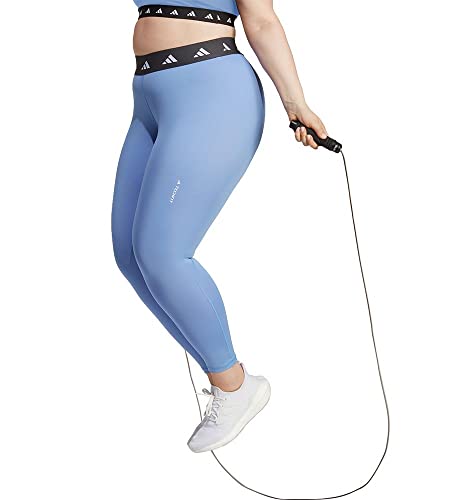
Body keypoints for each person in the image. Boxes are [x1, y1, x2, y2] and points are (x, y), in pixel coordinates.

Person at [111, 0, 329, 453]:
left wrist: (296, 103)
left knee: (161, 254)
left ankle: (233, 385)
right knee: (129, 256)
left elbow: (261, 19)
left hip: (212, 91)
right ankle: (229, 381)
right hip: (148, 98)